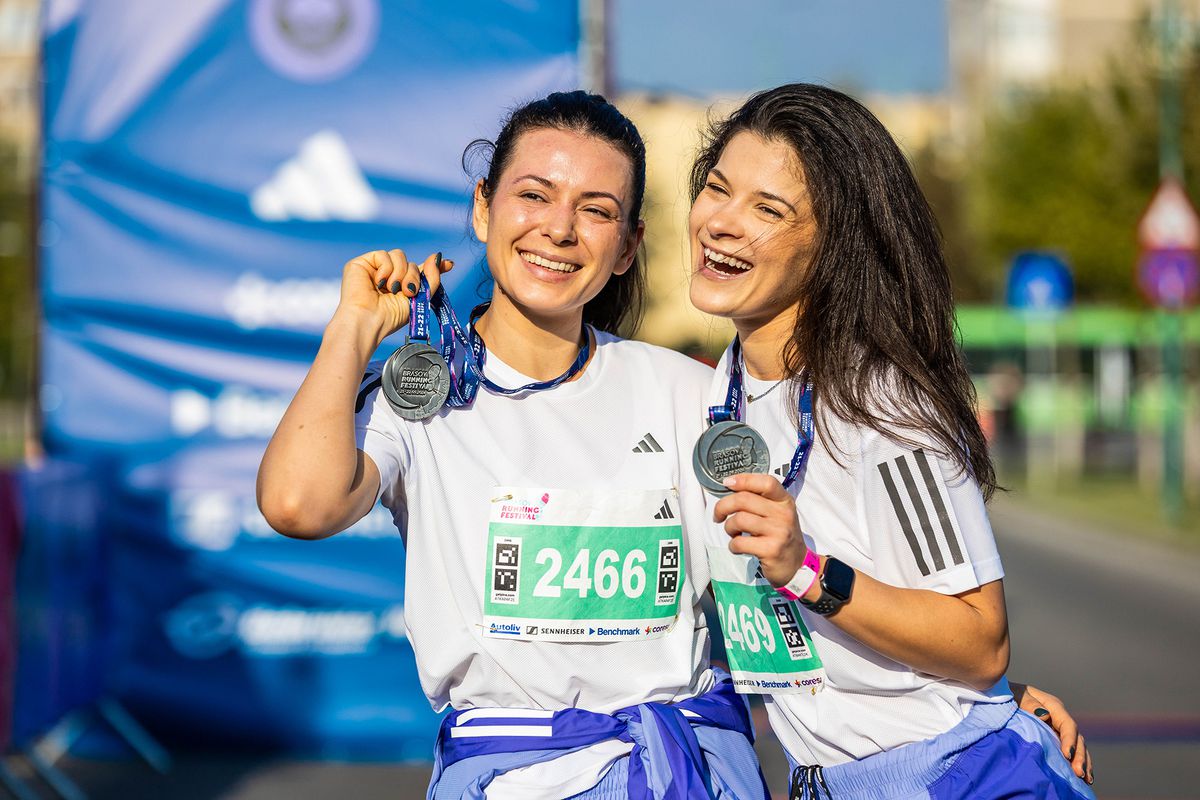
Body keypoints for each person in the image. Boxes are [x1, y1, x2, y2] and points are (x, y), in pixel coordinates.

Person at [257, 90, 768, 799]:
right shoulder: (418, 397)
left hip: (680, 773)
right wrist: (352, 327)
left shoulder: (687, 391)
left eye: (596, 210)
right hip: (506, 778)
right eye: (534, 195)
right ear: (482, 208)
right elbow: (296, 505)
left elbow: (770, 583)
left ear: (627, 247)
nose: (559, 229)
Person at [686, 83, 1096, 798]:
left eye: (768, 209)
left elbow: (980, 638)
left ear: (832, 246)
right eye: (718, 189)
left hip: (953, 778)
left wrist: (806, 570)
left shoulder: (882, 402)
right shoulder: (721, 389)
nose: (722, 222)